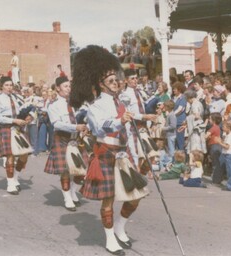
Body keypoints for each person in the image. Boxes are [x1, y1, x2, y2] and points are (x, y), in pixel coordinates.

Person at [70, 45, 149, 255]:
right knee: (109, 199)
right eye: (112, 81)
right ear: (102, 84)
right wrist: (118, 121)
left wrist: (144, 119)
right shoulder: (95, 106)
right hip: (105, 153)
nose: (116, 84)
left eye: (117, 80)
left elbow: (130, 121)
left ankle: (120, 226)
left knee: (135, 196)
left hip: (124, 154)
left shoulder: (121, 102)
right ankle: (109, 238)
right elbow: (101, 126)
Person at [43, 75, 88, 211]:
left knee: (82, 169)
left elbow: (83, 117)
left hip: (76, 138)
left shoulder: (75, 103)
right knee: (66, 171)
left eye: (69, 86)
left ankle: (73, 191)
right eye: (65, 86)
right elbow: (56, 124)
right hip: (62, 138)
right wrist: (75, 127)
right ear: (58, 88)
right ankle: (67, 197)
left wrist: (85, 127)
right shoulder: (53, 105)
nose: (69, 89)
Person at [0, 76, 31, 195]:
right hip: (5, 127)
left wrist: (28, 117)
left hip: (17, 127)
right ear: (2, 86)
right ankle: (10, 184)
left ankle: (15, 177)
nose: (9, 87)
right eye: (7, 85)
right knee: (10, 156)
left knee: (24, 154)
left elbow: (22, 110)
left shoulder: (16, 97)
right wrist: (14, 121)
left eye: (10, 85)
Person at [216, 121, 231, 191]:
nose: (222, 128)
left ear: (228, 128)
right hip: (230, 154)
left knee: (230, 171)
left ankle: (230, 185)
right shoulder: (228, 135)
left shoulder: (230, 136)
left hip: (229, 154)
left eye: (224, 127)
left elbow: (227, 146)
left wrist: (219, 142)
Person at [205, 113, 223, 184]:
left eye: (210, 119)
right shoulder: (218, 127)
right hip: (217, 145)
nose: (209, 120)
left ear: (214, 120)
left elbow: (206, 136)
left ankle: (216, 180)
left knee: (215, 163)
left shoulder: (213, 128)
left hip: (214, 146)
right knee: (217, 163)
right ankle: (218, 178)